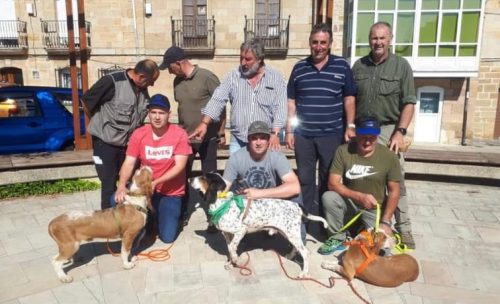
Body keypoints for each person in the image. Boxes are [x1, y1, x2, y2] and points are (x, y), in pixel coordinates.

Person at [352, 21, 416, 249]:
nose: (378, 42)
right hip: (361, 130)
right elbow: (350, 99)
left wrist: (400, 132)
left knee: (394, 179)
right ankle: (363, 223)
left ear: (390, 39)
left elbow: (409, 102)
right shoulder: (359, 66)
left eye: (382, 38)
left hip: (388, 130)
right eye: (374, 38)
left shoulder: (401, 66)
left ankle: (403, 226)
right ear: (369, 40)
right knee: (359, 176)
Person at [285, 23, 356, 224]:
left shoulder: (342, 66)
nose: (318, 47)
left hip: (331, 135)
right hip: (304, 136)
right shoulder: (299, 68)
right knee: (306, 180)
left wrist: (350, 126)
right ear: (309, 43)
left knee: (328, 181)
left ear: (330, 44)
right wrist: (290, 130)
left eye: (323, 43)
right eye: (315, 42)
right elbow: (292, 101)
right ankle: (304, 223)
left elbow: (349, 98)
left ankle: (327, 224)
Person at [158, 45, 226, 228]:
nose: (170, 73)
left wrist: (221, 131)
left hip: (208, 138)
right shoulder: (177, 83)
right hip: (185, 139)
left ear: (179, 63)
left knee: (209, 177)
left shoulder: (207, 77)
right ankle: (183, 214)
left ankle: (214, 216)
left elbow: (221, 104)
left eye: (170, 68)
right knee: (182, 176)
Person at [83, 59, 160, 210]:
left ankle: (127, 217)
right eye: (151, 81)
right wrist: (101, 124)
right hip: (105, 144)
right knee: (108, 184)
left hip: (127, 146)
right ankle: (107, 222)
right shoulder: (112, 81)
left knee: (130, 182)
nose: (152, 85)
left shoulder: (142, 89)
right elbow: (87, 102)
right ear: (141, 77)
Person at [115, 94, 192, 243]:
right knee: (115, 200)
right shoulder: (139, 133)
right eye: (153, 112)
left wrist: (156, 182)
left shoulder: (179, 134)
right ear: (148, 113)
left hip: (170, 192)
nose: (157, 117)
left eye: (162, 113)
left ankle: (156, 219)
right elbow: (129, 162)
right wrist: (122, 185)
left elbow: (180, 166)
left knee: (167, 238)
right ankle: (142, 223)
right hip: (144, 190)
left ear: (169, 114)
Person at [318, 116, 401, 255]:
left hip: (374, 208)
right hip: (350, 202)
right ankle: (337, 237)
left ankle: (360, 229)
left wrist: (386, 222)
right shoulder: (343, 151)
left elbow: (394, 191)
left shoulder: (389, 157)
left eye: (372, 137)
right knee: (329, 197)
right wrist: (359, 196)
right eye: (363, 136)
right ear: (356, 134)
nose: (367, 141)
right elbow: (332, 183)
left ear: (377, 135)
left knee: (381, 251)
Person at [190, 38, 287, 154]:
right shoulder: (233, 76)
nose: (243, 63)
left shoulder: (275, 78)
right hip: (239, 140)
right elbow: (218, 99)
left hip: (265, 140)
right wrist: (204, 123)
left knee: (263, 172)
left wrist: (275, 134)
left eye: (248, 59)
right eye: (241, 58)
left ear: (260, 59)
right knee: (236, 171)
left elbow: (281, 107)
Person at [223, 120, 301, 202]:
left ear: (268, 140)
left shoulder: (277, 157)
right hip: (245, 202)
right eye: (254, 138)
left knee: (296, 197)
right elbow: (224, 187)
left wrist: (259, 194)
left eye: (263, 138)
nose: (258, 143)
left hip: (272, 201)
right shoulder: (236, 158)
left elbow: (295, 187)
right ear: (248, 140)